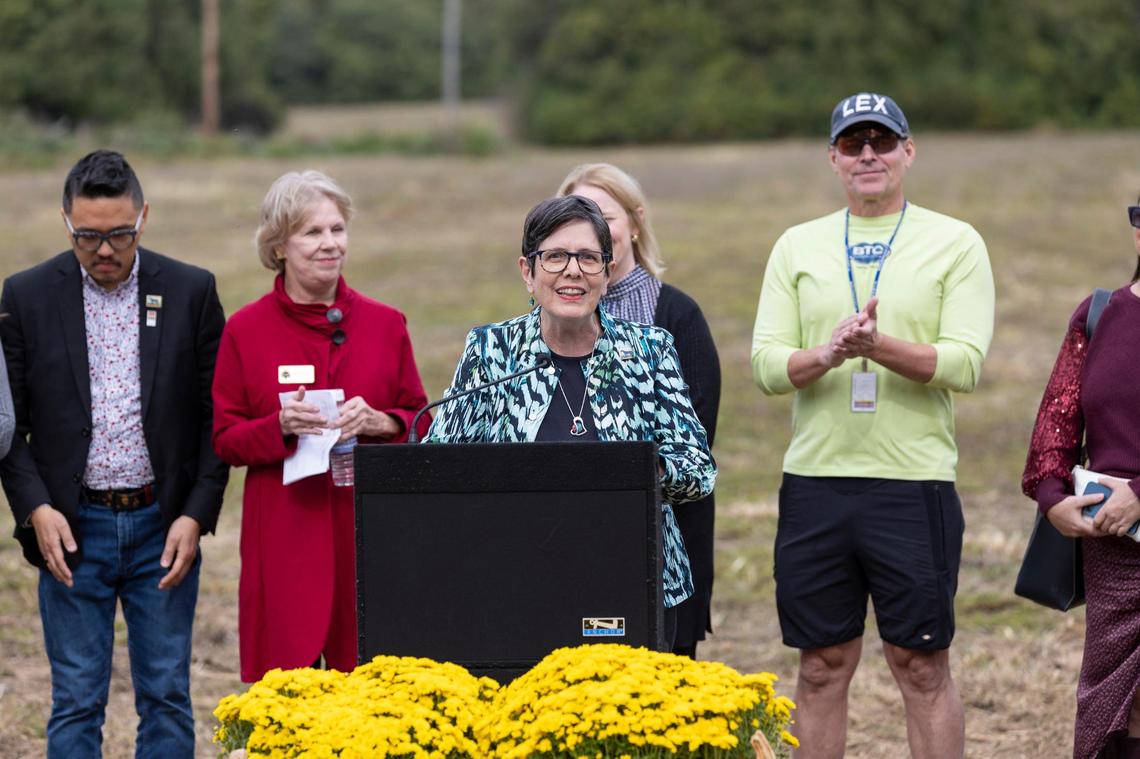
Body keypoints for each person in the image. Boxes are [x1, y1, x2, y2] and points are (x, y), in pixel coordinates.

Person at [751, 92, 994, 758]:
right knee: (822, 662)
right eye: (852, 144)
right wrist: (829, 353)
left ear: (908, 152)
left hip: (912, 484)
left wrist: (875, 347)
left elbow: (964, 363)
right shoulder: (796, 245)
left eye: (882, 142)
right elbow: (768, 365)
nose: (868, 155)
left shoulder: (956, 242)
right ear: (833, 159)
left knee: (919, 665)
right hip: (816, 483)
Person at [0, 149, 228, 758]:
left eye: (120, 235)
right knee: (75, 699)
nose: (105, 251)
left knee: (167, 696)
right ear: (65, 223)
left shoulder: (191, 291)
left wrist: (195, 514)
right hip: (73, 530)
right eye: (88, 238)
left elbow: (217, 417)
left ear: (144, 218)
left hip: (164, 527)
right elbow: (7, 426)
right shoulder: (24, 298)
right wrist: (35, 509)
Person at [423, 195, 716, 647]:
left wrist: (648, 471)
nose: (573, 271)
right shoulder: (492, 353)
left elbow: (698, 468)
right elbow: (439, 469)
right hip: (517, 586)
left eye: (588, 258)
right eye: (555, 256)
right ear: (528, 270)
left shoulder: (648, 350)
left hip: (633, 583)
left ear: (606, 270)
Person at [212, 170, 431, 683]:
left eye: (337, 229)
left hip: (367, 535)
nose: (329, 244)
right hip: (286, 537)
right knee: (291, 697)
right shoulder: (245, 330)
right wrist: (279, 425)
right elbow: (225, 439)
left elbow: (420, 422)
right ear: (278, 245)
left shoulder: (386, 323)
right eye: (312, 232)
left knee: (373, 694)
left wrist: (381, 421)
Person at [557, 163, 721, 659]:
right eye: (578, 218)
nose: (593, 231)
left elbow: (694, 442)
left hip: (663, 537)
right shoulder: (554, 315)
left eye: (603, 217)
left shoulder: (677, 316)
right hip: (570, 538)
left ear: (635, 222)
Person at [1022, 197, 1140, 759]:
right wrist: (1052, 500)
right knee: (1115, 712)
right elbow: (1056, 425)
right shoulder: (1098, 314)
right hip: (1113, 553)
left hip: (1131, 514)